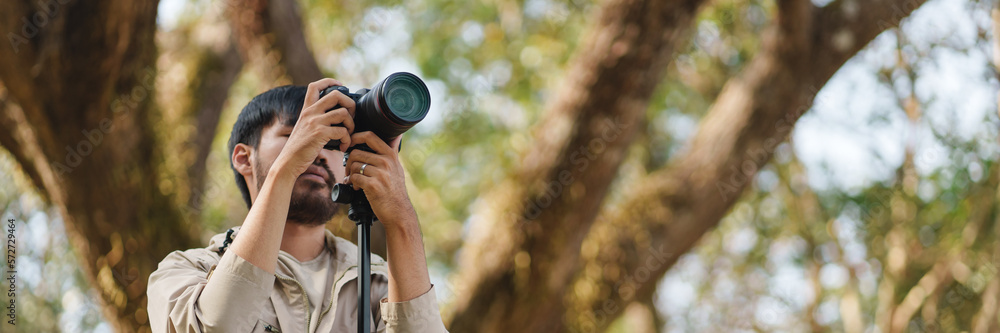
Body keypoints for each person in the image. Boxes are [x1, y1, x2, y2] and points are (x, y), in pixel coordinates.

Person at [147, 78, 449, 332]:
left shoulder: (380, 282)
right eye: (295, 135)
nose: (318, 152)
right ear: (243, 158)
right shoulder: (185, 271)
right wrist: (287, 167)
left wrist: (401, 220)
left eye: (332, 142)